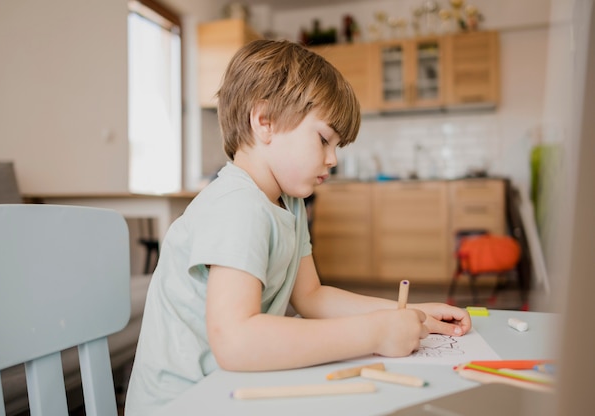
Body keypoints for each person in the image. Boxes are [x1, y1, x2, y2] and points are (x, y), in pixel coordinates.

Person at [124, 39, 471, 414]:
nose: (333, 158)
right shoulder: (236, 206)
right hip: (185, 403)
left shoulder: (287, 202)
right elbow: (236, 340)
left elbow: (312, 296)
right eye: (324, 139)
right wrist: (374, 333)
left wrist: (408, 313)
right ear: (265, 122)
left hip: (227, 389)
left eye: (337, 145)